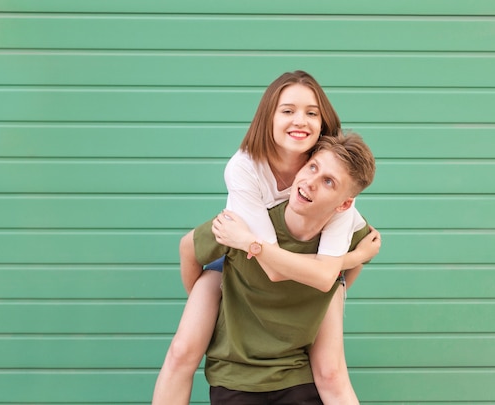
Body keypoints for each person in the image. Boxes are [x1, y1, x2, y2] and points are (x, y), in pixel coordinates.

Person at [152, 71, 380, 404]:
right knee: (181, 352)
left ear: (323, 123)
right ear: (268, 118)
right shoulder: (245, 168)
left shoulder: (332, 171)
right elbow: (203, 250)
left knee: (332, 370)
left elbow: (334, 270)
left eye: (311, 112)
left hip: (296, 263)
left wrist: (343, 267)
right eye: (287, 110)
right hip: (238, 256)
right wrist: (225, 306)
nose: (299, 120)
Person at [184, 133, 377, 403]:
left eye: (328, 182)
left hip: (297, 376)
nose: (311, 183)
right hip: (237, 378)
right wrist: (208, 300)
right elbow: (188, 247)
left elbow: (341, 275)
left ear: (344, 204)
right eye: (312, 167)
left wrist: (326, 291)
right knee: (180, 355)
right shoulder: (244, 223)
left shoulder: (350, 236)